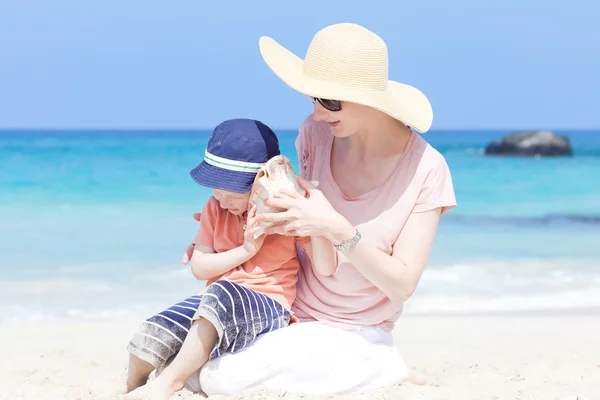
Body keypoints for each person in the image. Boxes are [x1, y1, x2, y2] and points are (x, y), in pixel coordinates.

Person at [181, 22, 458, 396]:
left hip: (353, 328)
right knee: (179, 342)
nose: (317, 113)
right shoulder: (316, 134)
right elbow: (298, 220)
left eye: (329, 101)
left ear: (370, 98)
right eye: (312, 97)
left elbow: (402, 283)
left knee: (220, 377)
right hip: (287, 308)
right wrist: (231, 221)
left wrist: (337, 229)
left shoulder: (427, 170)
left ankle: (380, 363)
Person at [124, 118, 336, 400]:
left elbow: (327, 266)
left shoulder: (284, 211)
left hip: (269, 303)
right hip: (213, 300)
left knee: (221, 294)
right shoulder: (214, 208)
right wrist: (247, 250)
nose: (222, 201)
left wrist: (316, 220)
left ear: (262, 185)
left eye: (232, 194)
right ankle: (132, 389)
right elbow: (200, 268)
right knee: (153, 330)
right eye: (216, 191)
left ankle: (171, 383)